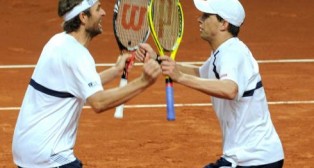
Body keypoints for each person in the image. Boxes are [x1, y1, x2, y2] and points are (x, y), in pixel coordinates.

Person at [12, 0, 161, 167]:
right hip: (48, 156)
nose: (104, 13)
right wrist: (143, 82)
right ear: (83, 17)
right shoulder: (77, 55)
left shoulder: (58, 41)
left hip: (26, 150)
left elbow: (75, 84)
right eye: (98, 9)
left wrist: (115, 70)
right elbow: (98, 102)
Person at [136, 0, 284, 167]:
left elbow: (230, 89)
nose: (200, 19)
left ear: (224, 24)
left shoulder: (232, 53)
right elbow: (201, 73)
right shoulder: (223, 52)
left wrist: (180, 77)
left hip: (254, 159)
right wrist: (158, 60)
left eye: (206, 16)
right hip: (252, 157)